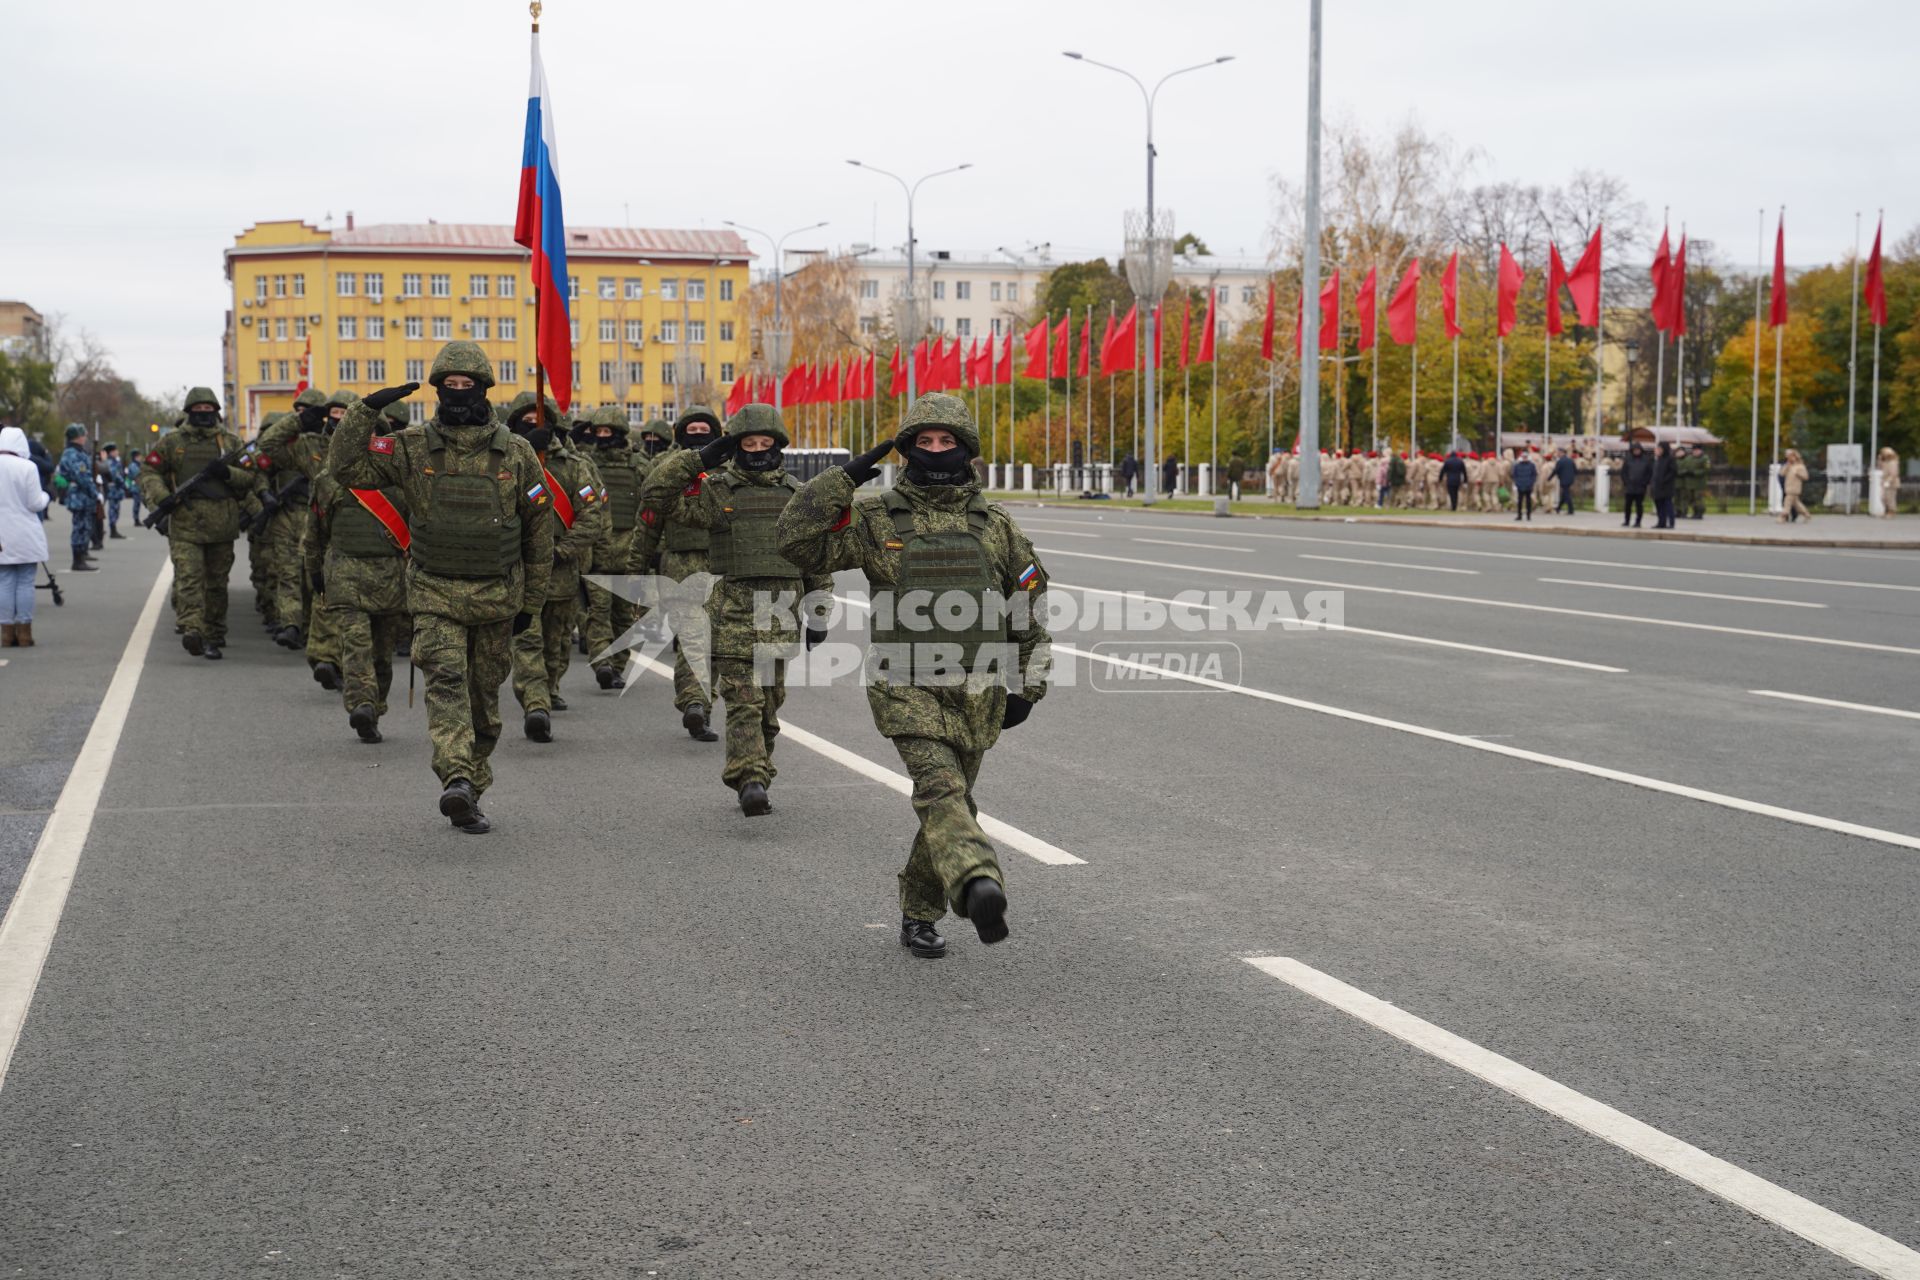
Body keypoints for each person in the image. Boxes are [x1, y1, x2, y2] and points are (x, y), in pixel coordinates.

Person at [778, 392, 1052, 959]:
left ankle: (919, 912)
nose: (934, 452)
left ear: (965, 449)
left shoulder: (994, 525)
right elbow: (797, 542)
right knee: (941, 790)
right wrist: (844, 477)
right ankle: (979, 881)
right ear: (905, 449)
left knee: (954, 804)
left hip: (978, 690)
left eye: (945, 442)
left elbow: (1030, 605)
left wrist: (1029, 683)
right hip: (904, 683)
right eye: (922, 443)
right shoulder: (879, 517)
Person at [326, 344, 553, 835]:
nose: (457, 393)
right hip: (434, 595)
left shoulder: (516, 452)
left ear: (483, 389)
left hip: (496, 598)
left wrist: (530, 603)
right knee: (445, 683)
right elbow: (345, 470)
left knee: (482, 701)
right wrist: (366, 410)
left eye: (465, 384)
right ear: (436, 390)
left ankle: (472, 783)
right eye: (447, 385)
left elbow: (539, 531)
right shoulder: (409, 447)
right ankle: (456, 776)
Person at [649, 403, 833, 815]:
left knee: (769, 706)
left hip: (781, 618)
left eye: (765, 442)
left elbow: (817, 559)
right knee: (742, 700)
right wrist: (696, 459)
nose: (757, 450)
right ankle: (748, 776)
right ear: (734, 446)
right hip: (731, 616)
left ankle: (758, 767)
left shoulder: (798, 497)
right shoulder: (716, 490)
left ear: (779, 445)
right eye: (748, 443)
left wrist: (819, 612)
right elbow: (657, 496)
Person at [306, 396, 413, 743]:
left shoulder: (401, 481)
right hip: (348, 579)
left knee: (381, 653)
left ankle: (373, 705)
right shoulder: (329, 479)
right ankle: (362, 704)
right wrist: (316, 573)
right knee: (356, 646)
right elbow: (316, 533)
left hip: (390, 582)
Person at [507, 390, 607, 742]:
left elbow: (592, 516)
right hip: (519, 572)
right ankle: (536, 704)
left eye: (540, 422)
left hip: (561, 571)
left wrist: (564, 549)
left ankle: (549, 686)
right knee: (527, 641)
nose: (534, 427)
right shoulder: (504, 463)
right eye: (526, 422)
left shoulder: (575, 467)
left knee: (557, 640)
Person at [138, 388, 260, 658]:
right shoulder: (172, 442)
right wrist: (162, 497)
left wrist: (226, 472)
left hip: (222, 525)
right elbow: (149, 471)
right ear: (189, 411)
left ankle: (214, 634)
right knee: (189, 578)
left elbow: (251, 477)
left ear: (215, 412)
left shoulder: (229, 442)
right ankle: (193, 629)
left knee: (216, 584)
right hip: (185, 524)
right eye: (198, 410)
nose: (203, 415)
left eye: (208, 410)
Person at [636, 410, 725, 742]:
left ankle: (699, 703)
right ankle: (695, 702)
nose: (699, 434)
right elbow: (646, 524)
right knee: (692, 640)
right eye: (692, 429)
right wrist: (637, 570)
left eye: (705, 430)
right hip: (680, 567)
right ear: (680, 434)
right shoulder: (668, 471)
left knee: (714, 643)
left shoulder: (730, 472)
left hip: (722, 568)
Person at [582, 406, 650, 690]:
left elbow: (651, 507)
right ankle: (603, 664)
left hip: (630, 555)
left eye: (607, 432)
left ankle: (617, 666)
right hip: (598, 552)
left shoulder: (640, 466)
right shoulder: (586, 465)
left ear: (620, 433)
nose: (602, 436)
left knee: (626, 618)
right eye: (597, 432)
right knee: (598, 613)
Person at [0, 425, 52, 647]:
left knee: (4, 582)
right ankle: (24, 633)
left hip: (2, 534)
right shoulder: (28, 467)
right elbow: (34, 503)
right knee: (25, 582)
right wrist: (46, 496)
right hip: (24, 533)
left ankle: (5, 632)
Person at [57, 426, 100, 572]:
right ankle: (77, 560)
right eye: (84, 435)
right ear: (78, 436)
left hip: (83, 495)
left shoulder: (77, 452)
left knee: (85, 527)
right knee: (79, 527)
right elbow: (81, 476)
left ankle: (81, 557)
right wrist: (95, 492)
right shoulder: (72, 453)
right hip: (79, 495)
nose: (85, 438)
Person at [100, 443, 131, 539]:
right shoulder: (110, 462)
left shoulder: (115, 461)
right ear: (111, 452)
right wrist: (123, 484)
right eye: (115, 450)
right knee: (113, 510)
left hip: (116, 489)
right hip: (113, 489)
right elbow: (115, 475)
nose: (117, 452)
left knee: (116, 510)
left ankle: (114, 529)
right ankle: (113, 530)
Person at [1620, 441, 1652, 527]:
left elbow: (1649, 473)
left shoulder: (1646, 459)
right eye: (1635, 450)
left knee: (1639, 505)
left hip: (1640, 487)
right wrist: (1626, 482)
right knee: (1628, 505)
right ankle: (1627, 520)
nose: (1636, 451)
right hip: (1629, 486)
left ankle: (1638, 521)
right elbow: (1624, 472)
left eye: (1638, 450)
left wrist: (1645, 483)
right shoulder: (1628, 459)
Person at [1674, 443, 1708, 519]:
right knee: (1691, 499)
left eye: (1697, 450)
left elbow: (1706, 470)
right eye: (1694, 450)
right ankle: (1695, 512)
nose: (1695, 452)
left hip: (1699, 483)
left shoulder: (1705, 458)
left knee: (1698, 498)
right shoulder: (1689, 458)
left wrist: (1694, 472)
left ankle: (1699, 513)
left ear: (1701, 450)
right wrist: (1682, 472)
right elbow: (1683, 466)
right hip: (1689, 483)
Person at [1779, 448, 1812, 523]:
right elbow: (1782, 473)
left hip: (1795, 488)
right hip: (1788, 487)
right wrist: (1787, 465)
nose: (1789, 458)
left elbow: (1806, 477)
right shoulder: (1789, 466)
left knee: (1787, 503)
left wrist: (1798, 474)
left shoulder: (1800, 466)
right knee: (1797, 504)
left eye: (1791, 456)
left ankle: (1783, 517)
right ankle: (1806, 514)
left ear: (1795, 457)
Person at [1650, 442, 1678, 529]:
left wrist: (1664, 480)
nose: (1657, 450)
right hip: (1657, 487)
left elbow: (1673, 472)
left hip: (1666, 487)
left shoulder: (1670, 459)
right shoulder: (1657, 459)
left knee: (1668, 505)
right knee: (1659, 506)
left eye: (1659, 449)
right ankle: (1661, 522)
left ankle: (1671, 523)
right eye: (1657, 449)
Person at [1511, 452, 1537, 521]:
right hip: (1520, 485)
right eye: (1523, 457)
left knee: (1528, 501)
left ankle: (1528, 515)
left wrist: (1531, 482)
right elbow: (1514, 475)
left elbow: (1534, 475)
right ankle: (1519, 515)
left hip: (1528, 485)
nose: (1524, 458)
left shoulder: (1531, 465)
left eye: (1525, 457)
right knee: (1520, 501)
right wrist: (1517, 483)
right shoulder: (1517, 465)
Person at [1550, 448, 1578, 514]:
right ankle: (1558, 508)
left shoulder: (1560, 461)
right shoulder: (1571, 460)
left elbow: (1555, 471)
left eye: (1558, 453)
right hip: (1570, 480)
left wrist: (1549, 478)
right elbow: (1576, 470)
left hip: (1564, 480)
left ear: (1562, 453)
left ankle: (1571, 510)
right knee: (1564, 494)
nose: (1557, 454)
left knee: (1567, 495)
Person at [1877, 446, 1901, 517]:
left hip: (1891, 483)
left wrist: (1888, 481)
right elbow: (1879, 467)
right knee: (1883, 497)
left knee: (1890, 498)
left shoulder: (1893, 462)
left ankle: (1891, 511)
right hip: (1884, 482)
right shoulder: (1885, 462)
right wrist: (1879, 459)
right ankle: (1886, 510)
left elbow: (1894, 473)